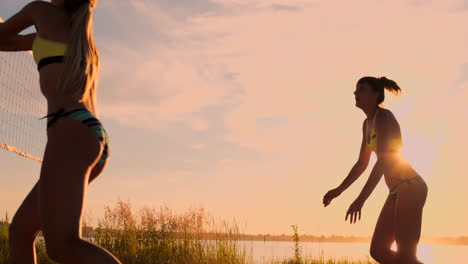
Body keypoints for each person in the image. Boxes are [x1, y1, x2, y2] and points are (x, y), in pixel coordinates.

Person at [0, 0, 121, 263]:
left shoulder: (41, 11)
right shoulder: (81, 39)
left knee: (62, 246)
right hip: (91, 134)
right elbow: (6, 43)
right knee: (21, 230)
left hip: (68, 132)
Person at [323, 77, 428, 264]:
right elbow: (361, 164)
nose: (355, 93)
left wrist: (360, 200)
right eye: (356, 89)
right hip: (396, 190)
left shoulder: (384, 118)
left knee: (406, 256)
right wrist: (338, 190)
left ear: (376, 94)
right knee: (378, 250)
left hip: (410, 186)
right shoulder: (367, 124)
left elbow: (382, 162)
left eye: (361, 89)